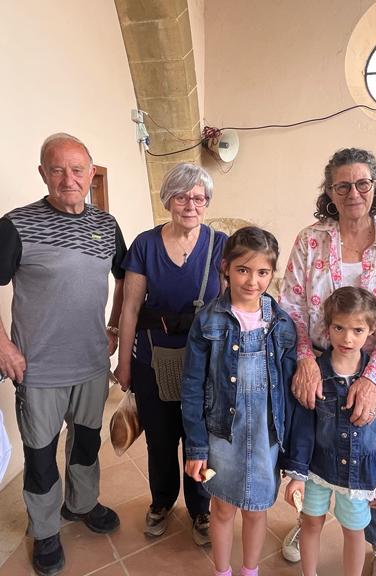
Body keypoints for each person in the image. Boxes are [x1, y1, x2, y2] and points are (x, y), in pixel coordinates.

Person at [0, 133, 126, 576]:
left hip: (92, 365)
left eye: (77, 170)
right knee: (40, 455)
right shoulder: (17, 224)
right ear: (43, 173)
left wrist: (114, 325)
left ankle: (82, 504)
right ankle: (44, 531)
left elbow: (127, 277)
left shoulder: (107, 225)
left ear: (91, 174)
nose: (68, 179)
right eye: (57, 169)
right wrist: (1, 343)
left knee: (86, 445)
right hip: (37, 369)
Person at [278, 148, 376, 576]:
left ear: (375, 188)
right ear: (330, 192)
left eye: (362, 184)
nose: (353, 193)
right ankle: (308, 521)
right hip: (318, 361)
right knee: (313, 440)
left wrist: (373, 380)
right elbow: (291, 308)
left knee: (370, 446)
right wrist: (305, 360)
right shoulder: (310, 240)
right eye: (342, 185)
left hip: (374, 363)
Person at [113, 163, 226, 544]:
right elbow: (130, 307)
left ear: (207, 202)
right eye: (181, 196)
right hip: (151, 356)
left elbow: (231, 305)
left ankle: (201, 509)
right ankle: (161, 502)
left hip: (205, 363)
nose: (190, 205)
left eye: (198, 198)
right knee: (160, 439)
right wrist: (124, 363)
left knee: (202, 441)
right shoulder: (145, 245)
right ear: (168, 200)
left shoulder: (220, 244)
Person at [181, 227, 298, 576]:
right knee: (222, 509)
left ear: (271, 274)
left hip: (265, 436)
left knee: (257, 509)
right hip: (221, 436)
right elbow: (191, 386)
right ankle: (222, 571)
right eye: (243, 270)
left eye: (262, 272)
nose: (252, 281)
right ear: (226, 268)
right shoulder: (208, 321)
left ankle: (249, 570)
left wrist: (292, 454)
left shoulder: (281, 323)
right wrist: (196, 448)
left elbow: (289, 395)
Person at [282, 287, 376, 576]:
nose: (347, 338)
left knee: (355, 530)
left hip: (359, 475)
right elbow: (303, 430)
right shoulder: (315, 373)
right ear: (327, 327)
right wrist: (296, 476)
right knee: (310, 523)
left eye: (357, 330)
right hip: (317, 470)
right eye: (339, 327)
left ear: (372, 330)